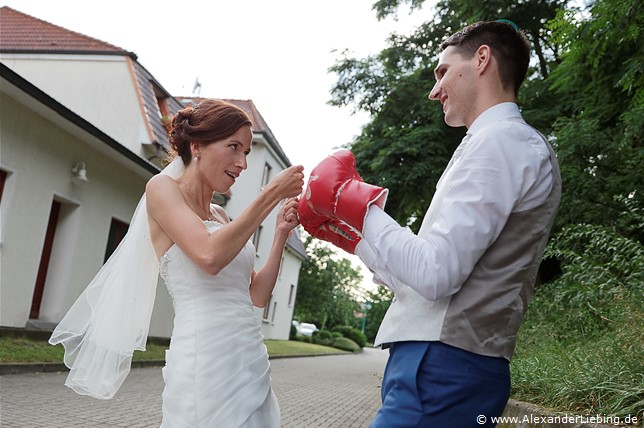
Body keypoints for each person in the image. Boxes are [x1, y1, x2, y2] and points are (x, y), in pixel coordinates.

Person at [298, 20, 561, 427]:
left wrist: (356, 206)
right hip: (442, 363)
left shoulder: (503, 142)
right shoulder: (496, 143)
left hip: (443, 365)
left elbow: (436, 274)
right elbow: (426, 284)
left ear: (482, 59)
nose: (434, 89)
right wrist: (354, 240)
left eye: (442, 71)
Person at [50, 99, 304, 427]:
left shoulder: (222, 215)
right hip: (205, 361)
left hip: (249, 359)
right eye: (234, 148)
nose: (242, 163)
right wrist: (270, 195)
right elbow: (208, 256)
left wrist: (280, 235)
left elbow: (256, 295)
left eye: (246, 153)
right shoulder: (162, 190)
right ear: (197, 146)